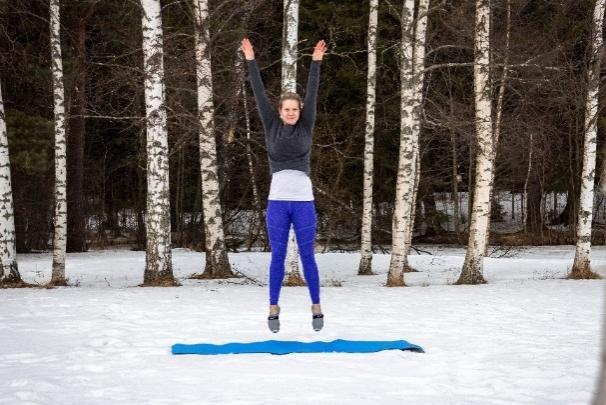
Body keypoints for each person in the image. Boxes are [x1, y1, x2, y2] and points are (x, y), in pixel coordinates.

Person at [241, 37, 327, 333]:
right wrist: (250, 60)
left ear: (300, 111)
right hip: (277, 201)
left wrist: (315, 63)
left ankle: (316, 307)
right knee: (278, 255)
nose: (291, 112)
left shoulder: (306, 124)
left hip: (303, 201)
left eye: (295, 109)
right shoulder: (271, 123)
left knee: (307, 256)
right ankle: (273, 308)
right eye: (286, 109)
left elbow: (313, 93)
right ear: (279, 112)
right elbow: (258, 92)